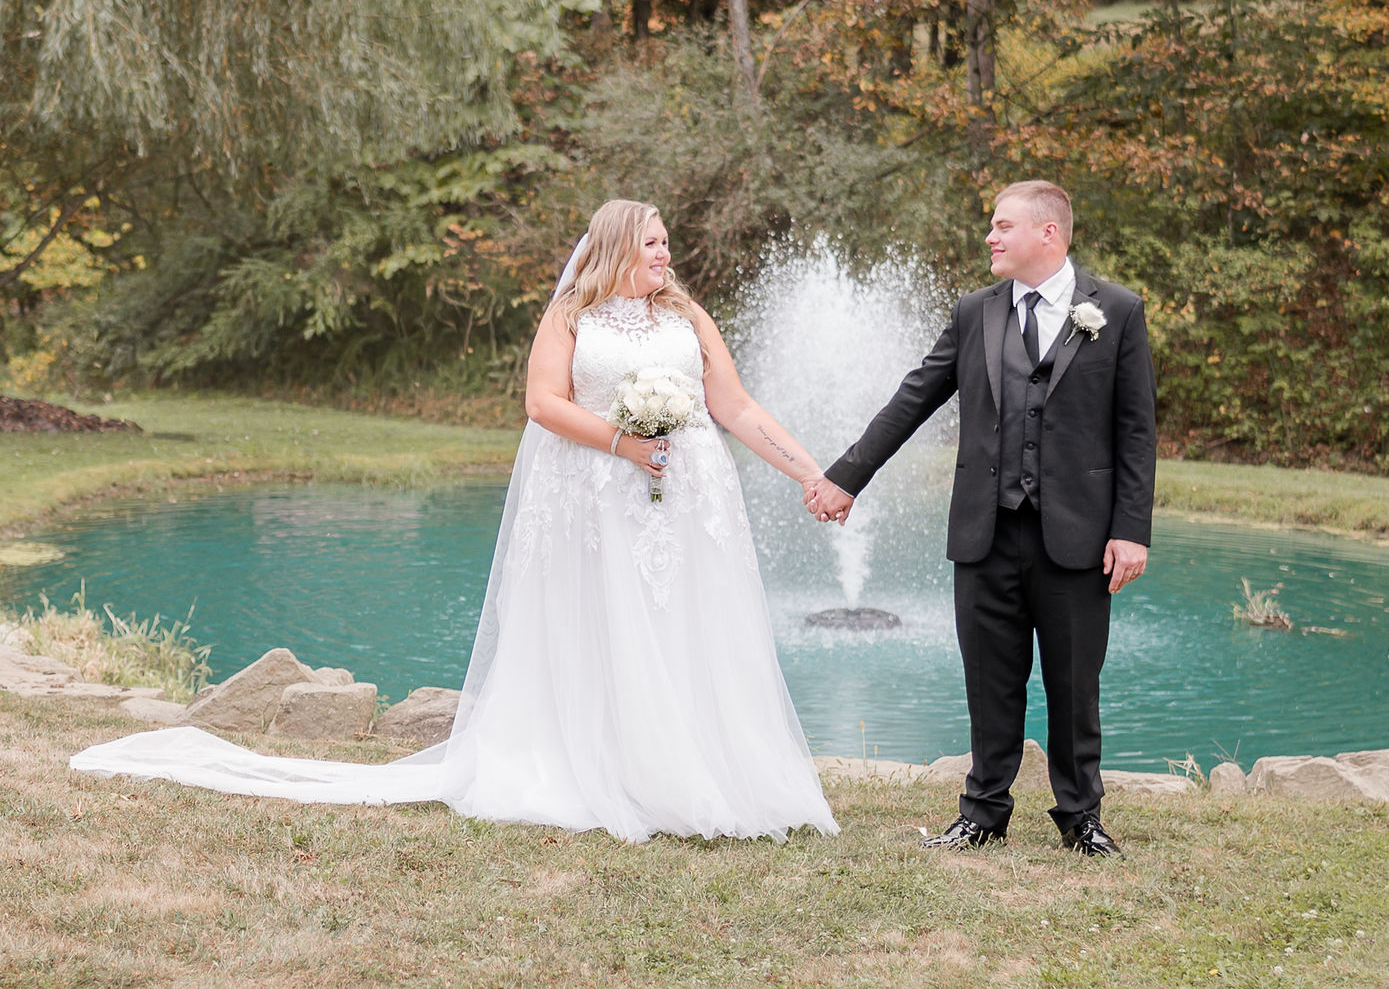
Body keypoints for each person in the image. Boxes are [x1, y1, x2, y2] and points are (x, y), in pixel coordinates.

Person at [71, 199, 840, 844]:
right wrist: (625, 444)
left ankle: (698, 767)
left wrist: (812, 471)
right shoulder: (572, 316)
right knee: (605, 628)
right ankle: (615, 769)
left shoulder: (687, 316)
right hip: (599, 495)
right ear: (615, 248)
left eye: (668, 242)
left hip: (689, 501)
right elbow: (543, 404)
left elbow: (732, 406)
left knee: (685, 628)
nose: (667, 253)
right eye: (653, 242)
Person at [808, 180, 1157, 857]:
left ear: (1048, 233)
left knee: (1074, 683)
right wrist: (846, 476)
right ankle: (983, 812)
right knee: (989, 680)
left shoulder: (1115, 310)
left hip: (1079, 535)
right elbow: (915, 397)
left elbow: (1136, 431)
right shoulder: (976, 312)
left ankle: (1081, 816)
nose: (990, 238)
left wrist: (1131, 528)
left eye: (1002, 226)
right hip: (985, 531)